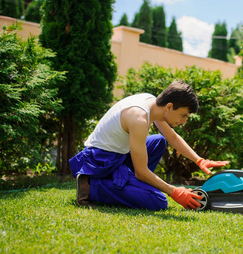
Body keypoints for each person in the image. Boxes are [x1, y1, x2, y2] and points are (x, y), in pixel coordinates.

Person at [70, 80, 229, 210]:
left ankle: (131, 187)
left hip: (117, 156)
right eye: (183, 115)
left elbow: (172, 137)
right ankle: (91, 185)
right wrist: (174, 192)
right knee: (158, 201)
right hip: (99, 162)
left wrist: (199, 160)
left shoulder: (153, 103)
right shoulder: (138, 117)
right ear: (169, 107)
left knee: (158, 141)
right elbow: (141, 171)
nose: (184, 121)